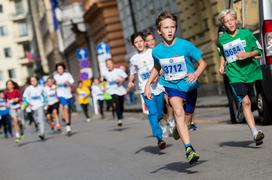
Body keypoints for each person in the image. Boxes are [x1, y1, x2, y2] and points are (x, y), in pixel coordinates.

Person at [144, 11, 207, 164]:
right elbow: (157, 67)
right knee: (178, 112)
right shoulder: (157, 51)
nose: (170, 30)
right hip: (171, 85)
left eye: (172, 27)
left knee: (187, 119)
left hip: (190, 86)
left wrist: (196, 74)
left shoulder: (185, 45)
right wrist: (147, 85)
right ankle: (189, 149)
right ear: (159, 31)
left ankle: (179, 129)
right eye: (166, 28)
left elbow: (203, 63)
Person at [217, 9, 264, 145]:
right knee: (247, 102)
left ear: (236, 20)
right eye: (227, 21)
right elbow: (221, 52)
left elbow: (259, 51)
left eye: (231, 20)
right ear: (223, 24)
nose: (230, 23)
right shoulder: (222, 40)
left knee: (250, 99)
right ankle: (255, 132)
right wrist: (222, 65)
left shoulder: (246, 34)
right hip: (234, 73)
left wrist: (247, 55)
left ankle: (240, 106)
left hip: (249, 71)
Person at [128, 32, 166, 150]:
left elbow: (161, 66)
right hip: (146, 89)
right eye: (136, 42)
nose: (139, 44)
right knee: (152, 112)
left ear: (144, 42)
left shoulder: (152, 52)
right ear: (133, 45)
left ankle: (160, 120)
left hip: (158, 88)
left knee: (159, 113)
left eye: (140, 41)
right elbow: (132, 73)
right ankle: (159, 138)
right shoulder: (133, 59)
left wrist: (160, 73)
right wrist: (131, 81)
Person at [103, 59, 127, 126]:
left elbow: (126, 77)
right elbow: (105, 80)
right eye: (107, 64)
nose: (109, 65)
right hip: (111, 90)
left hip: (120, 89)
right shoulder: (105, 73)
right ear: (106, 65)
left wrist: (121, 80)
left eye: (110, 63)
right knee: (116, 103)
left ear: (113, 64)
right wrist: (104, 87)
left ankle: (121, 114)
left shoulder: (119, 71)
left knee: (121, 104)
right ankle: (119, 119)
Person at [54, 63, 74, 135]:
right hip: (61, 95)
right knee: (65, 107)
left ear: (63, 69)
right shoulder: (55, 77)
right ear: (56, 70)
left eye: (61, 69)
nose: (60, 70)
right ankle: (67, 127)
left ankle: (68, 123)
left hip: (69, 95)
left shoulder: (67, 75)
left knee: (69, 111)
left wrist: (67, 83)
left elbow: (72, 83)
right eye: (58, 69)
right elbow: (54, 85)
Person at [23, 76, 46, 140]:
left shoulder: (41, 88)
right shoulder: (28, 89)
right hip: (32, 107)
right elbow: (24, 98)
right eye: (32, 81)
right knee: (36, 120)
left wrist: (45, 102)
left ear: (37, 80)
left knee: (41, 119)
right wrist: (28, 103)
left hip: (40, 105)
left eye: (35, 80)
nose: (33, 82)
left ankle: (42, 133)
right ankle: (40, 130)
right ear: (30, 82)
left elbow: (44, 96)